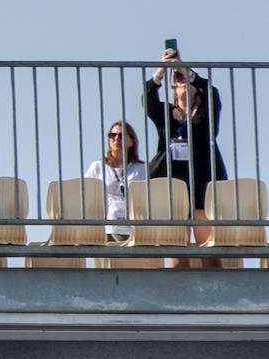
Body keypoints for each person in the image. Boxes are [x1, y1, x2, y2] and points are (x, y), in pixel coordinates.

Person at [145, 46, 227, 267]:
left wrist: (186, 70)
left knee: (207, 248)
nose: (181, 80)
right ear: (172, 87)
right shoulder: (165, 114)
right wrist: (160, 72)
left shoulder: (205, 111)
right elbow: (148, 101)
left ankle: (215, 294)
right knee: (178, 248)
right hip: (175, 180)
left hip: (201, 177)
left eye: (185, 79)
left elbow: (212, 92)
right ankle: (179, 296)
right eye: (178, 78)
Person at [84, 121, 147, 242]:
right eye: (112, 135)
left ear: (131, 142)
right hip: (106, 227)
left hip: (133, 228)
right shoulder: (98, 167)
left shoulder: (141, 169)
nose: (116, 139)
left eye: (122, 136)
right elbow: (85, 194)